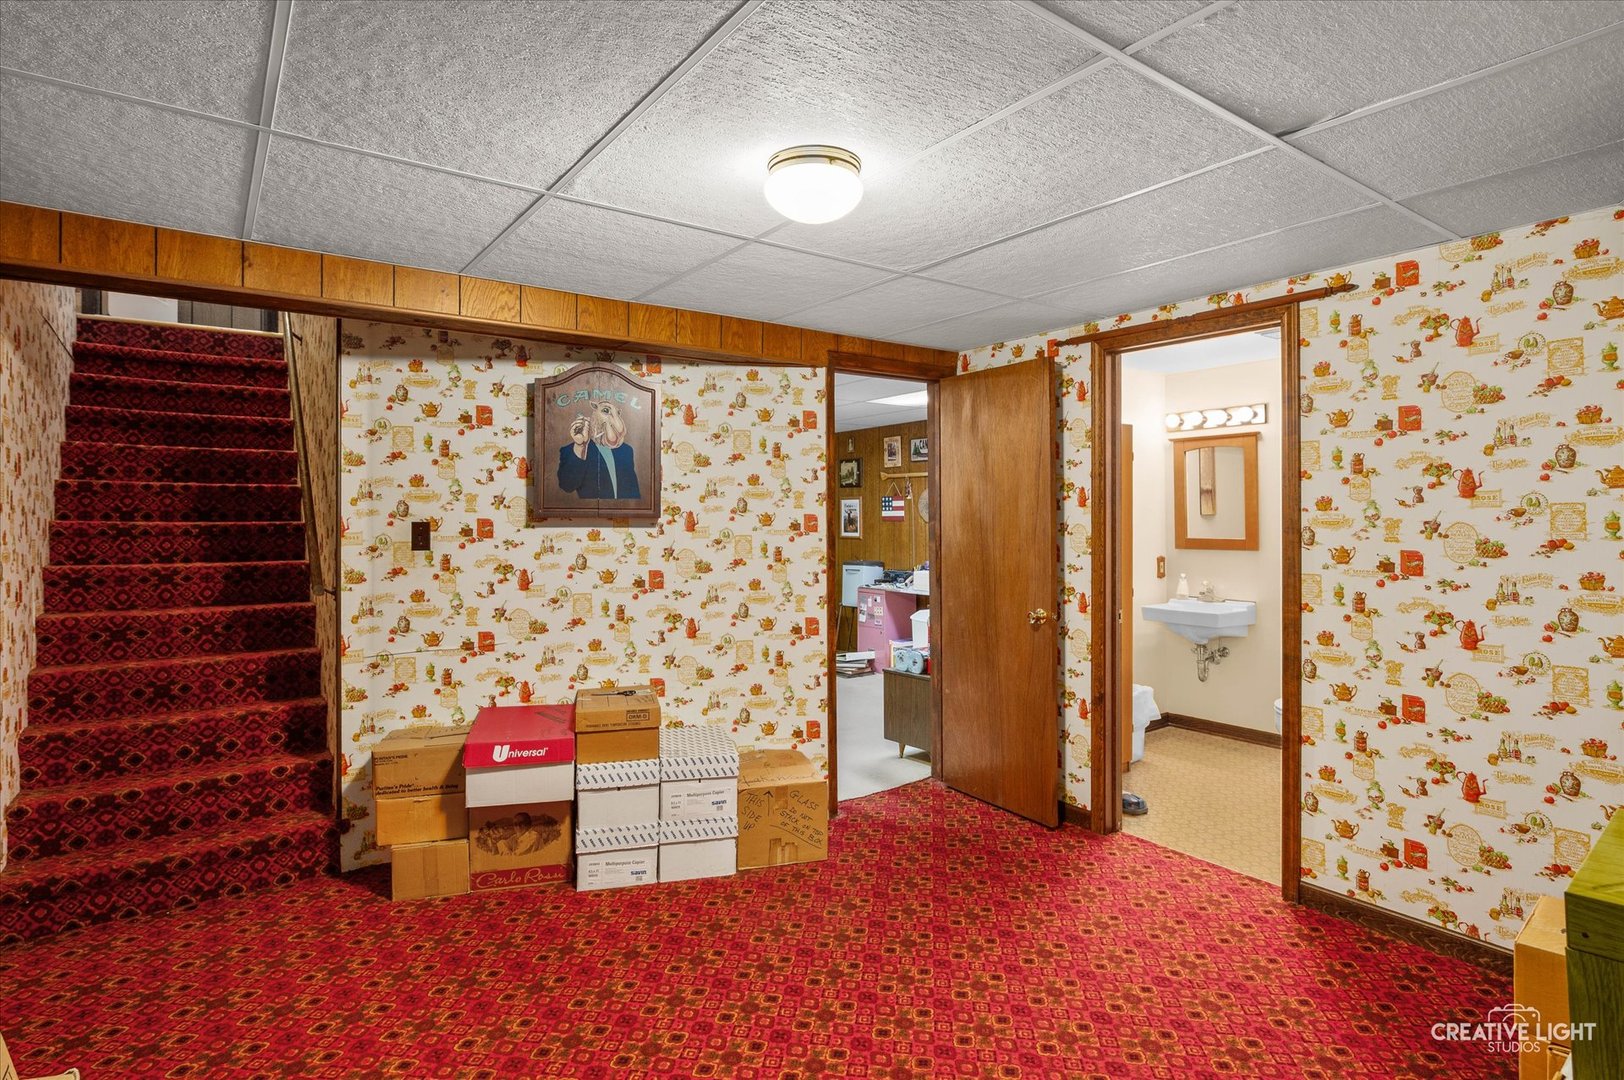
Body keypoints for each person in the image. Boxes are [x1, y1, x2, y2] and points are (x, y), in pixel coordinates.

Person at [557, 399, 640, 500]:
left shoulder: (626, 450)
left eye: (617, 413)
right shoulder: (573, 450)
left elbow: (632, 489)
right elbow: (567, 486)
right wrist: (580, 446)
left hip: (624, 514)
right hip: (590, 515)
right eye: (605, 411)